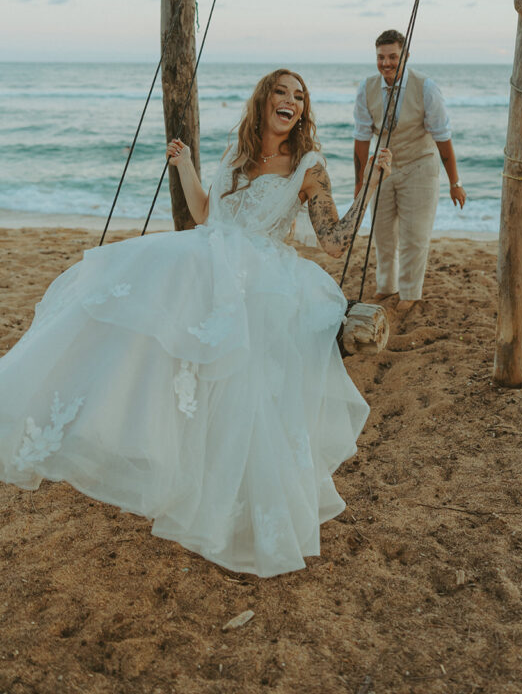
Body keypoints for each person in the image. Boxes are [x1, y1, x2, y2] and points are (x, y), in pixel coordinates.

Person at [0, 69, 391, 578]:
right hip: (212, 256)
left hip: (263, 274)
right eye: (281, 92)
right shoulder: (236, 154)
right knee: (133, 293)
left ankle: (244, 509)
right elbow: (208, 216)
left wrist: (372, 183)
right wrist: (184, 165)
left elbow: (335, 241)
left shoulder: (309, 165)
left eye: (299, 96)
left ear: (303, 111)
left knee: (246, 394)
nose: (291, 101)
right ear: (264, 100)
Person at [353, 29, 465, 311]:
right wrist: (360, 184)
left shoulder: (426, 87)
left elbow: (443, 138)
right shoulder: (366, 88)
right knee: (382, 233)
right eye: (381, 57)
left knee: (414, 235)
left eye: (393, 57)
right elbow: (361, 139)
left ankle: (410, 293)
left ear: (406, 56)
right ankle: (386, 286)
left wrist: (455, 182)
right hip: (384, 167)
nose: (386, 63)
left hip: (420, 165)